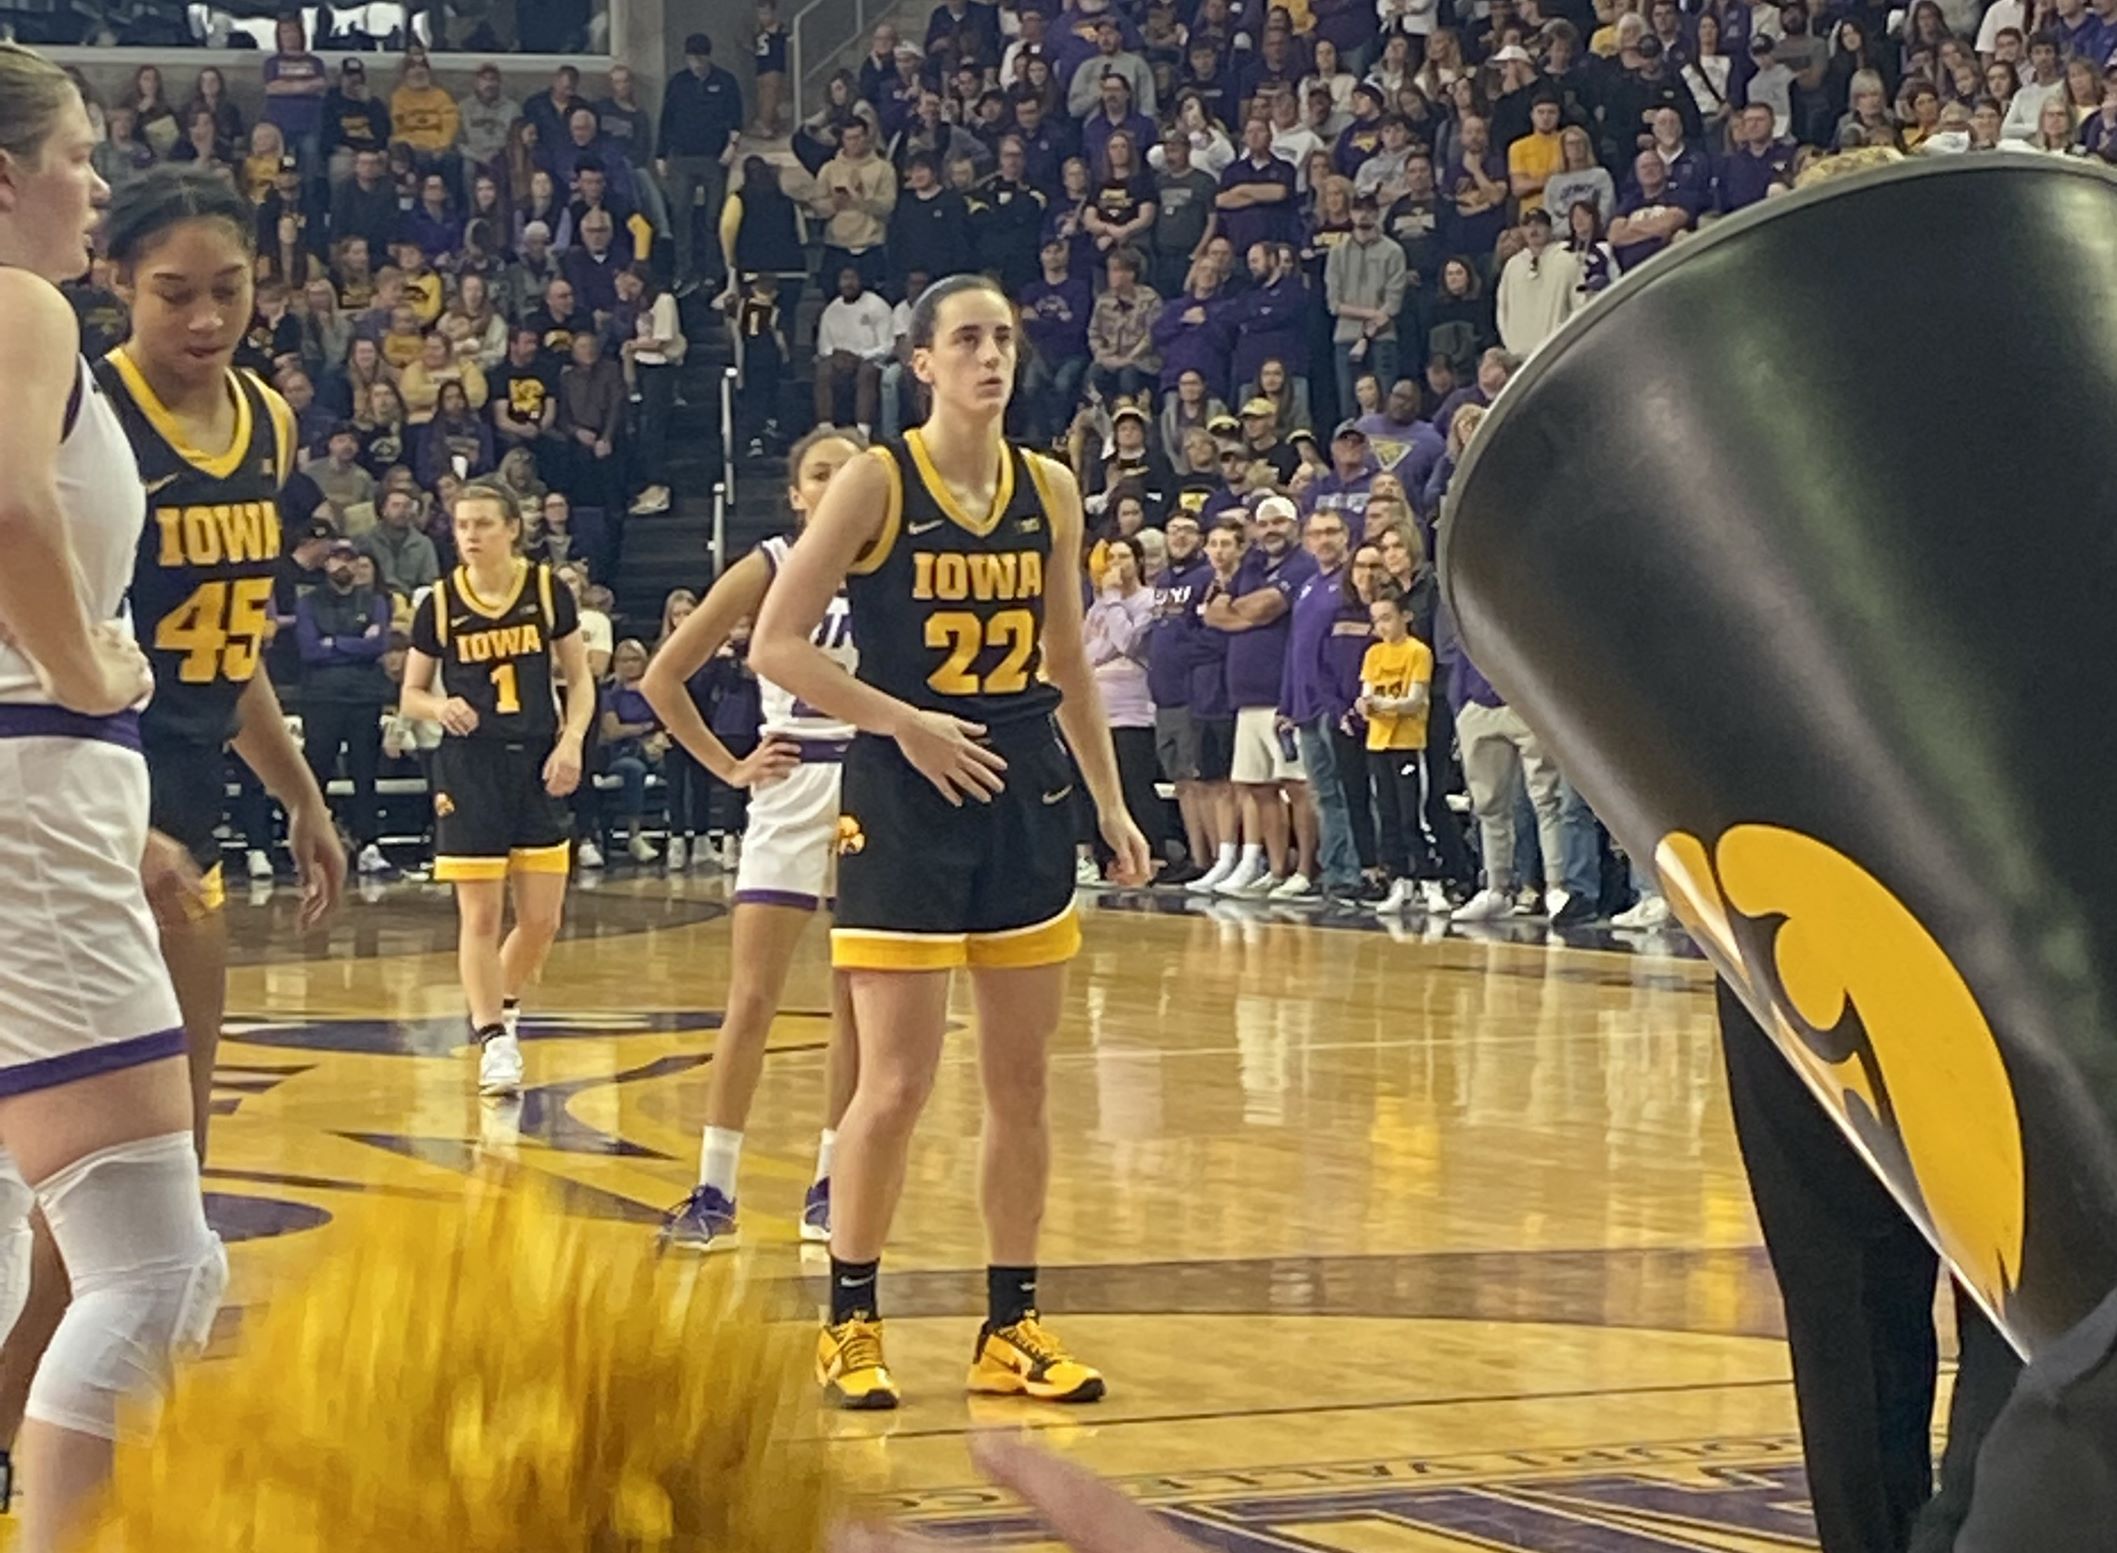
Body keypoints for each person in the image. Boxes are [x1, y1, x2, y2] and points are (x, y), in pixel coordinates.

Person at [750, 274, 1150, 1410]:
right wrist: (902, 720)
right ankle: (850, 1318)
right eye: (967, 339)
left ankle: (1009, 1324)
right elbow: (779, 645)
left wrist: (1109, 803)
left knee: (1020, 1082)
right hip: (904, 792)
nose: (990, 356)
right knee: (895, 1082)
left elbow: (1067, 659)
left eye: (1004, 337)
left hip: (1020, 786)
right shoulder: (877, 480)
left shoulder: (1051, 488)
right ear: (919, 361)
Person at [0, 51, 255, 1553]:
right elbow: (12, 507)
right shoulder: (22, 305)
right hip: (33, 789)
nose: (98, 181)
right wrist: (85, 674)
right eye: (80, 156)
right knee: (158, 1273)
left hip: (27, 795)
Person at [648, 429, 869, 1252]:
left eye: (852, 470)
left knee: (857, 1002)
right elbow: (662, 675)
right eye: (821, 472)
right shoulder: (770, 565)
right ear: (798, 494)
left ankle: (831, 1183)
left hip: (875, 788)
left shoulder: (893, 564)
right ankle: (715, 1188)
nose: (838, 482)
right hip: (789, 783)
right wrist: (729, 766)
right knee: (752, 999)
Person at [400, 482, 595, 1096]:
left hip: (536, 757)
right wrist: (438, 707)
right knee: (479, 916)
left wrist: (572, 742)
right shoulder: (438, 602)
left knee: (542, 919)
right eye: (461, 525)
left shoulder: (545, 590)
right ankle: (492, 1038)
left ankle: (500, 1011)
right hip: (469, 766)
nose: (471, 535)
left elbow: (581, 680)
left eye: (483, 523)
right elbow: (409, 693)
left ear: (514, 528)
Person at [1204, 493, 1319, 898]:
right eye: (1265, 523)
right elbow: (1214, 613)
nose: (1271, 530)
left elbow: (1262, 608)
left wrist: (1238, 612)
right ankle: (1274, 869)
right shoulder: (1250, 563)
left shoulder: (1303, 564)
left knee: (1297, 785)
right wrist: (1239, 611)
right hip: (1245, 696)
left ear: (1296, 525)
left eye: (1279, 522)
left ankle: (1305, 869)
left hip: (1282, 695)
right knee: (1258, 787)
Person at [297, 540, 393, 875]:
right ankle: (313, 846)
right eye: (337, 558)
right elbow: (309, 649)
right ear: (325, 564)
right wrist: (355, 643)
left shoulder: (375, 600)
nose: (343, 565)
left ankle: (368, 844)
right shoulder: (308, 603)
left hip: (364, 697)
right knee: (316, 772)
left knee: (365, 774)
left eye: (350, 560)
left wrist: (333, 642)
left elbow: (378, 644)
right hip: (321, 698)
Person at [1356, 590, 1433, 913]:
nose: (1382, 627)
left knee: (1410, 815)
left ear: (1406, 617)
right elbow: (1365, 696)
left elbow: (1414, 700)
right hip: (1378, 742)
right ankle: (1399, 879)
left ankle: (1429, 881)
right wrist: (1365, 705)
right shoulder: (1373, 654)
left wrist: (1381, 705)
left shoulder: (1418, 652)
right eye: (1376, 621)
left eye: (1387, 618)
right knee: (1387, 814)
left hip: (1407, 743)